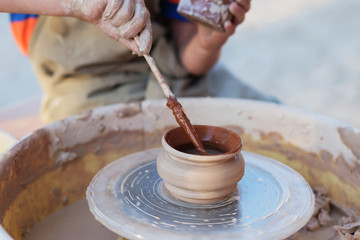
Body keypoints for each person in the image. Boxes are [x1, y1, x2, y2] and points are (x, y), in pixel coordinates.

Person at [2, 0, 278, 123]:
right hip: (83, 85)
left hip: (173, 75)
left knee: (281, 129)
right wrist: (78, 4)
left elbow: (188, 59)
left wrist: (207, 41)